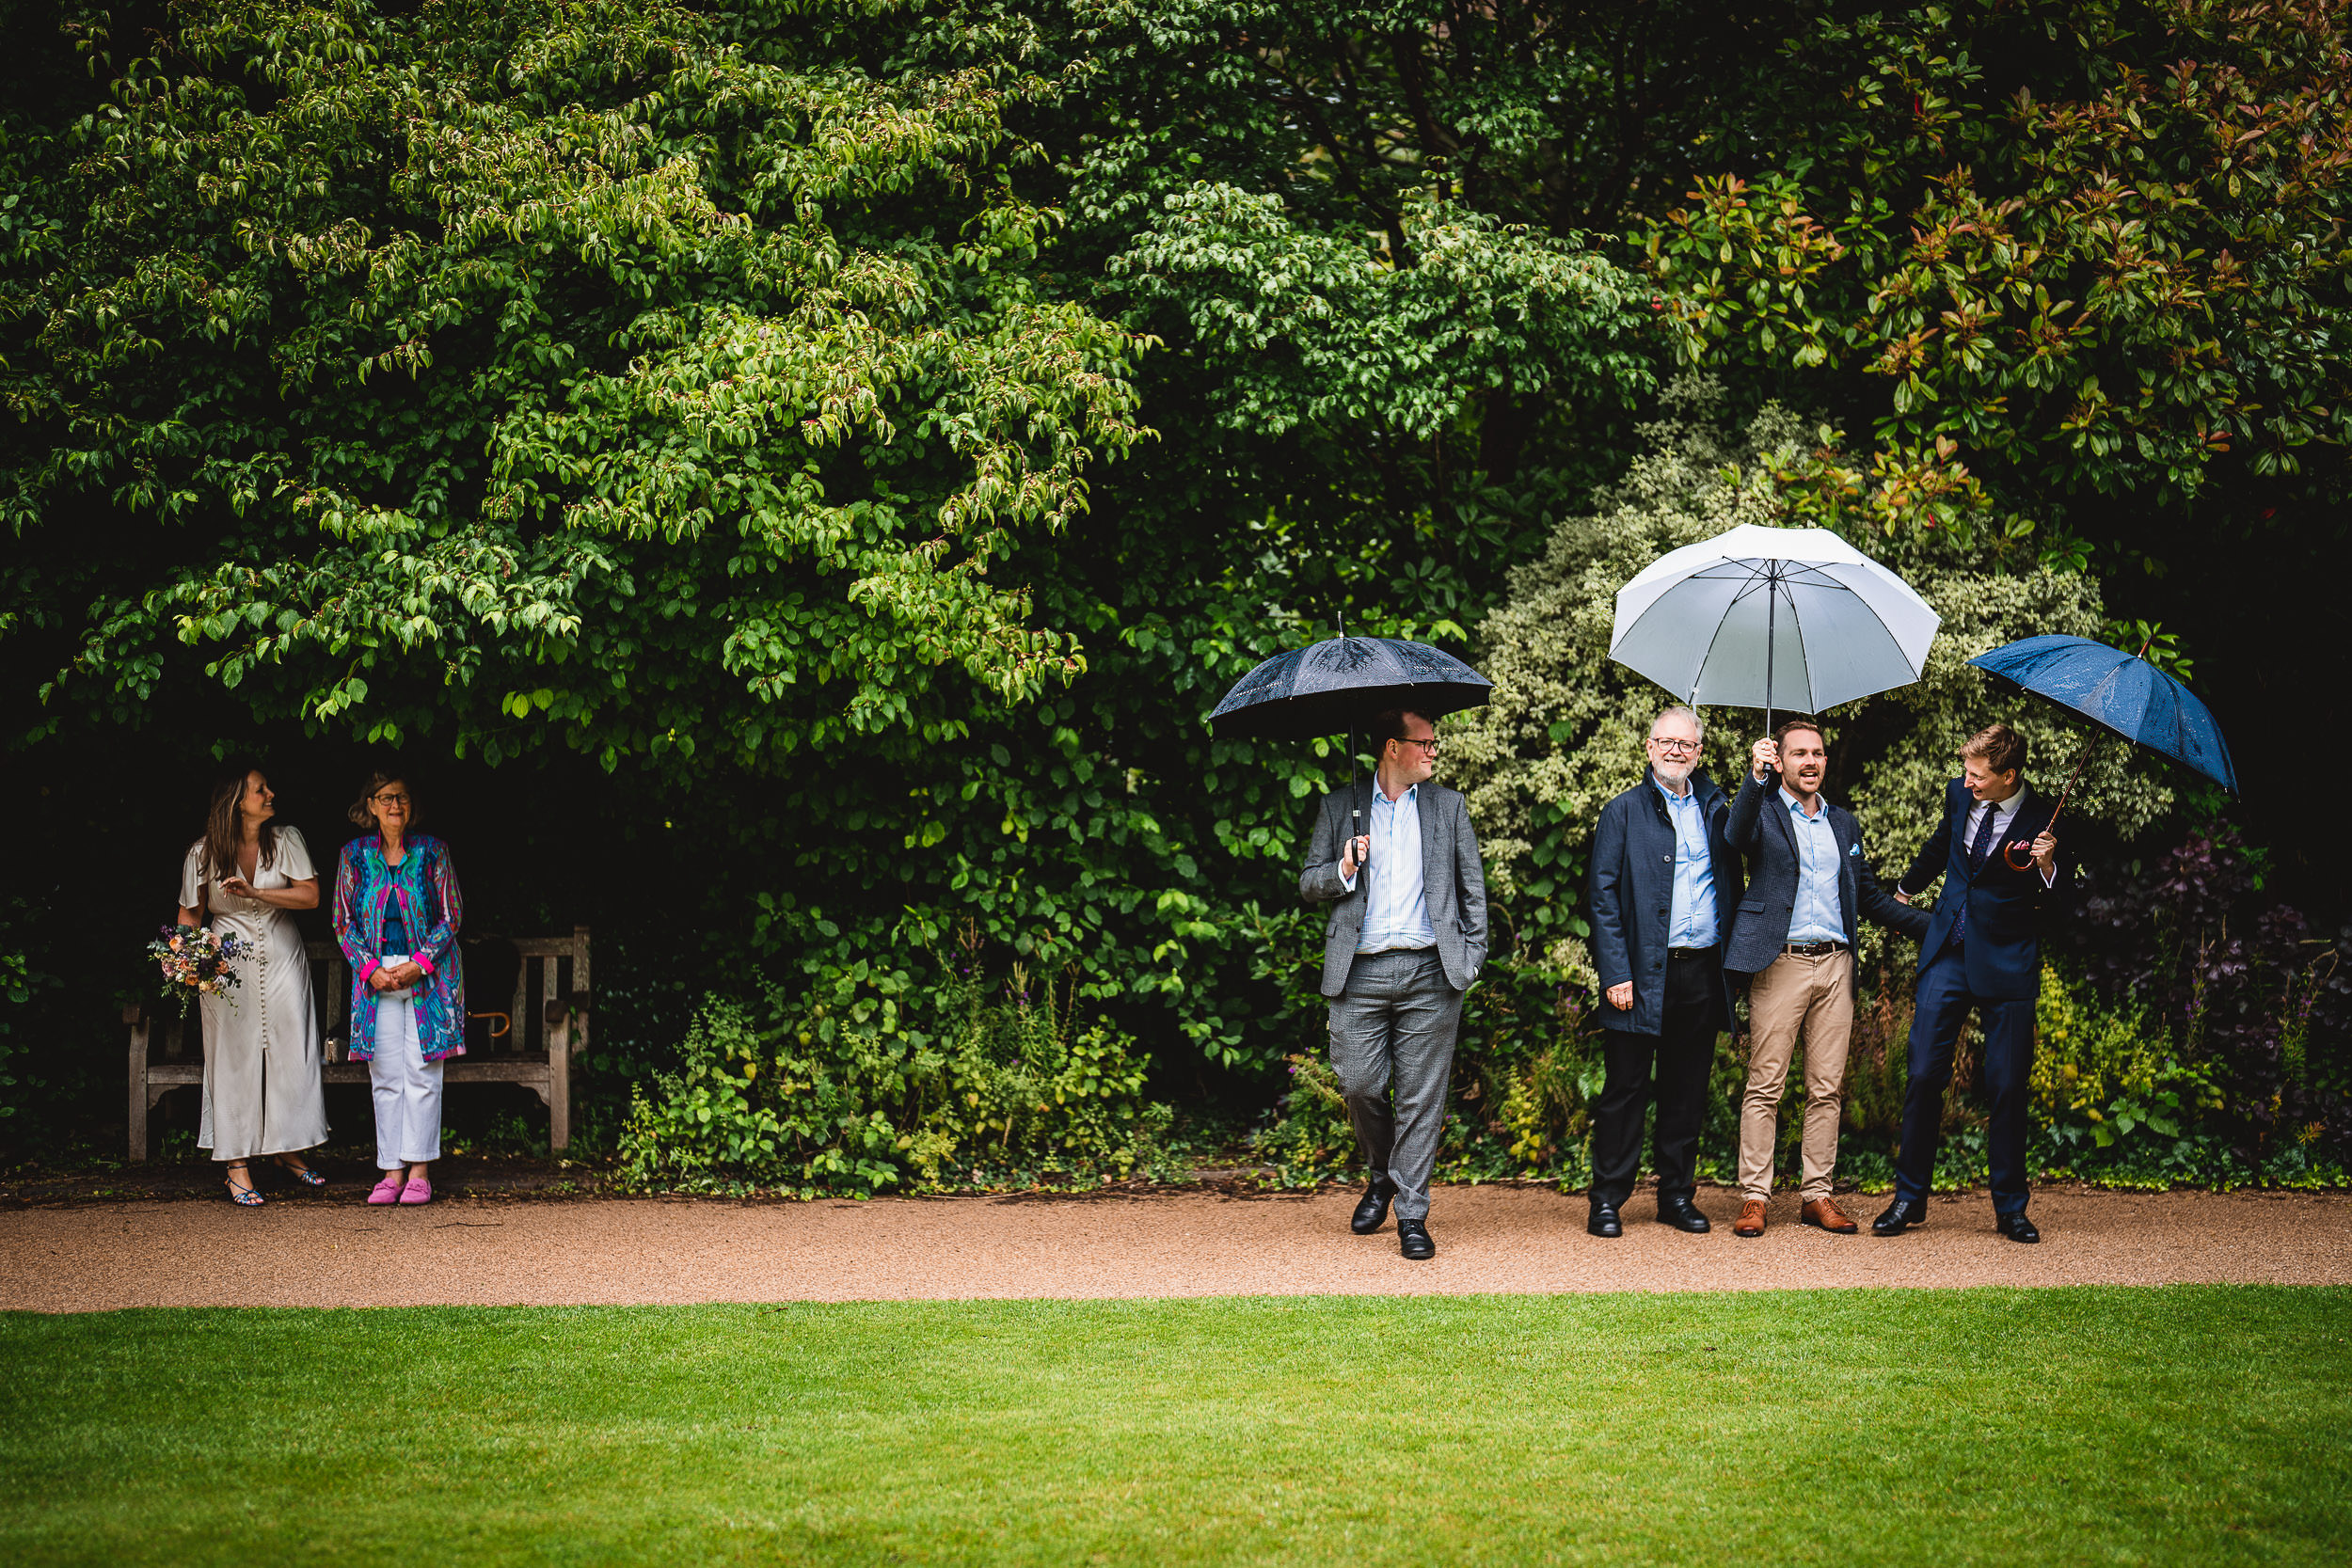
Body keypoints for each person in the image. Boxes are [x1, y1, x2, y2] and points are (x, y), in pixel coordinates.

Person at [1722, 719, 1928, 1238]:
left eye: (1817, 753)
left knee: (1827, 1087)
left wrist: (1937, 926)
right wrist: (1753, 777)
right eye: (1798, 754)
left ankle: (1817, 1194)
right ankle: (1755, 1196)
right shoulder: (1763, 813)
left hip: (1837, 965)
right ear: (1781, 762)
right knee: (1765, 1083)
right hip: (1781, 962)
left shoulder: (1844, 825)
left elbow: (1871, 897)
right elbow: (1733, 837)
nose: (1809, 762)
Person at [1299, 707, 1488, 1260]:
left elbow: (1472, 890)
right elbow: (1309, 884)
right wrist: (1343, 870)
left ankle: (1411, 1212)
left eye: (1434, 743)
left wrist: (1471, 959)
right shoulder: (1341, 807)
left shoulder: (1448, 806)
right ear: (1391, 748)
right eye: (1425, 743)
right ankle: (1381, 1175)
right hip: (1358, 972)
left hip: (1432, 973)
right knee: (1358, 1084)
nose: (1434, 751)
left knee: (1421, 1098)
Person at [1875, 723, 2061, 1243]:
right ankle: (1909, 1199)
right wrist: (1906, 890)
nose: (1967, 781)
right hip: (1949, 955)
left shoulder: (2046, 818)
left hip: (2007, 963)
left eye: (1978, 775)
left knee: (2005, 1087)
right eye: (1966, 772)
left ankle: (2010, 1209)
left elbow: (2060, 905)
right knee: (1923, 1076)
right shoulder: (1961, 794)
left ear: (2009, 776)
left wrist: (2048, 868)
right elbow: (1941, 846)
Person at [1585, 705, 1744, 1238]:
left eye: (1687, 744)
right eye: (1666, 742)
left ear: (1699, 754)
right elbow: (1602, 898)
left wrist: (1760, 775)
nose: (1676, 751)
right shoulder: (1623, 812)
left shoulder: (1717, 811)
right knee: (1625, 1090)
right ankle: (1607, 1199)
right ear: (1649, 748)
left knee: (1687, 1090)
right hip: (1638, 974)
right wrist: (1615, 973)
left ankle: (1676, 1196)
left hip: (1701, 969)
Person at [172, 761, 330, 1205]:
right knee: (233, 1057)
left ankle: (289, 1150)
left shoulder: (286, 841)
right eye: (261, 790)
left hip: (282, 956)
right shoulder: (202, 854)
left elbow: (311, 895)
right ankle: (236, 1163)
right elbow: (190, 914)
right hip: (227, 964)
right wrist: (188, 960)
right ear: (238, 802)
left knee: (290, 1050)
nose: (270, 795)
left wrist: (257, 892)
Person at [333, 771, 466, 1207]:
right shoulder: (354, 856)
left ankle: (420, 1171)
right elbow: (343, 920)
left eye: (403, 798)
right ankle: (391, 1171)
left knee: (423, 1072)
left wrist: (419, 964)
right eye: (387, 798)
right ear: (370, 805)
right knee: (385, 1075)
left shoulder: (432, 852)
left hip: (426, 975)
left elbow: (451, 915)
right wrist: (369, 967)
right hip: (375, 979)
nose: (395, 806)